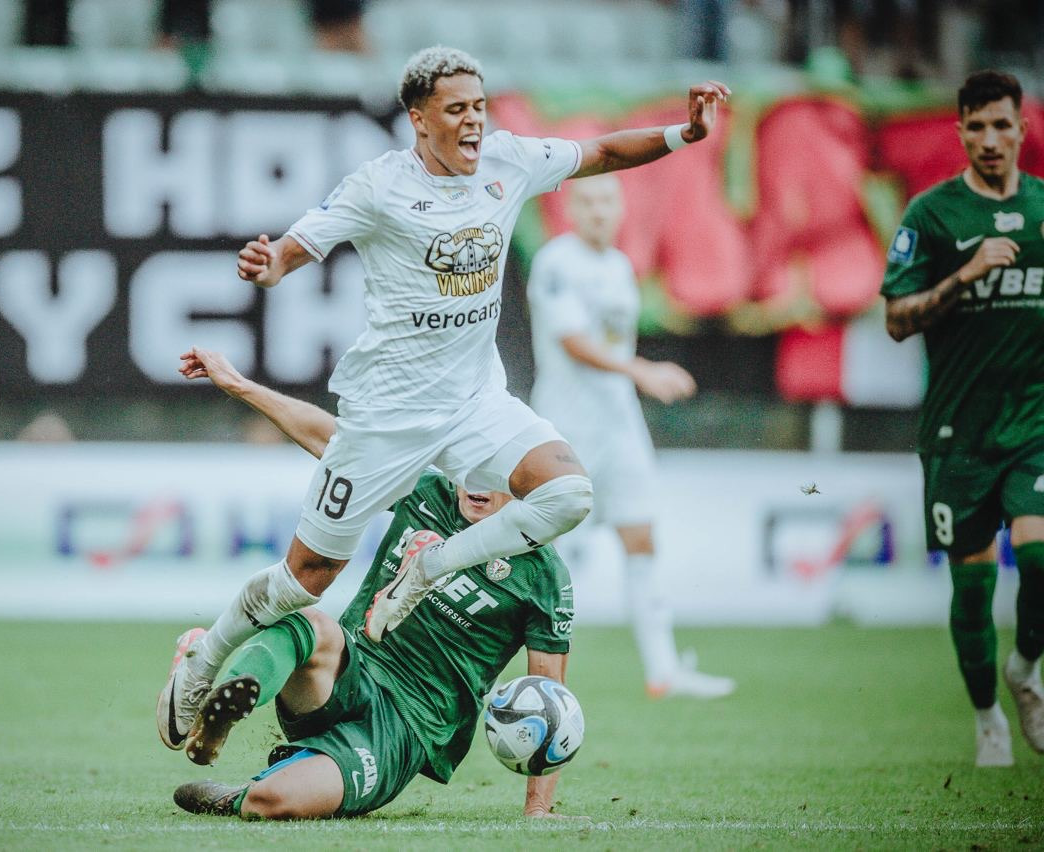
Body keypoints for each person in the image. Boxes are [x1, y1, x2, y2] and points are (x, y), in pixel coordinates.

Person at [158, 43, 730, 759]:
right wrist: (270, 265)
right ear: (419, 118)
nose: (474, 122)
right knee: (306, 581)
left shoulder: (508, 162)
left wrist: (685, 134)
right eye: (456, 109)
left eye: (480, 107)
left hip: (476, 403)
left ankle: (428, 566)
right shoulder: (379, 186)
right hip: (387, 417)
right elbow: (298, 246)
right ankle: (204, 658)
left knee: (569, 493)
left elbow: (603, 152)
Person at [170, 347, 574, 819]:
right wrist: (240, 386)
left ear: (521, 479)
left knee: (268, 803)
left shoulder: (542, 574)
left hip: (407, 725)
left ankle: (245, 792)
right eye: (469, 462)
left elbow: (550, 696)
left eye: (493, 468)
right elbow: (334, 442)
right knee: (309, 623)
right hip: (346, 672)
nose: (475, 479)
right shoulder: (427, 493)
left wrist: (538, 808)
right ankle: (223, 704)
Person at [881, 69, 1044, 767]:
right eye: (976, 127)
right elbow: (896, 320)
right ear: (960, 133)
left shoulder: (1043, 209)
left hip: (1034, 427)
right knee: (972, 594)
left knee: (1040, 558)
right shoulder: (932, 216)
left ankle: (1025, 669)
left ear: (1022, 128)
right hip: (957, 436)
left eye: (1001, 125)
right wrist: (964, 275)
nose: (989, 139)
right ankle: (987, 718)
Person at [527, 175, 735, 700]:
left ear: (621, 209)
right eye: (587, 202)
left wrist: (631, 377)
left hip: (619, 425)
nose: (598, 211)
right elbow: (572, 342)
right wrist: (639, 370)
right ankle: (529, 676)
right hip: (566, 428)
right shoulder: (555, 263)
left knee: (641, 538)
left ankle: (664, 671)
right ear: (571, 209)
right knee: (547, 552)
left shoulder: (620, 267)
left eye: (606, 201)